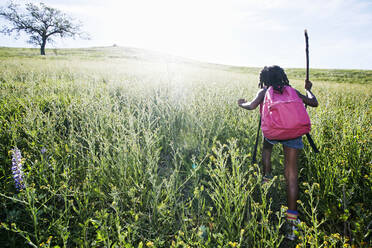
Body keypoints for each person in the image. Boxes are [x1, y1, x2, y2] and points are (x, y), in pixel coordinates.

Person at [237, 65, 318, 240]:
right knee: (291, 176)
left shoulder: (264, 91)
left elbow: (251, 106)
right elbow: (313, 103)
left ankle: (267, 176)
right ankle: (291, 226)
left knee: (267, 148)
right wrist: (309, 90)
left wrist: (240, 103)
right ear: (283, 77)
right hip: (294, 133)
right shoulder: (292, 91)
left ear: (264, 80)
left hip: (273, 132)